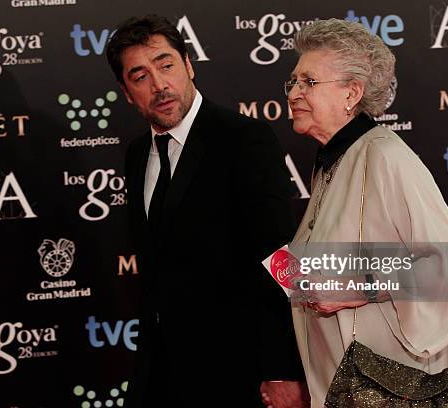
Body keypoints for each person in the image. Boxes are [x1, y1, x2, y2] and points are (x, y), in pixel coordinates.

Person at [106, 15, 308, 408]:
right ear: (127, 92)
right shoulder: (135, 156)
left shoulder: (243, 139)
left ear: (188, 65)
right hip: (161, 370)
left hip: (237, 372)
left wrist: (282, 369)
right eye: (140, 75)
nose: (159, 85)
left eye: (166, 65)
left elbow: (279, 259)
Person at [284, 19, 448, 407]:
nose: (294, 93)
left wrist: (357, 286)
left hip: (392, 389)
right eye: (292, 82)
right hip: (347, 386)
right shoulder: (332, 161)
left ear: (351, 93)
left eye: (308, 82)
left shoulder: (385, 155)